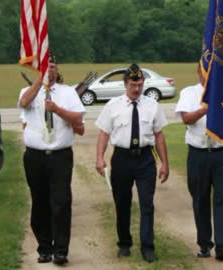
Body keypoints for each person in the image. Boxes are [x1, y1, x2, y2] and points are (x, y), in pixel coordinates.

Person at [95, 63, 169, 263]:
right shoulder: (113, 106)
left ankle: (147, 247)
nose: (137, 89)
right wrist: (99, 158)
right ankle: (125, 243)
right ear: (125, 84)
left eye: (140, 84)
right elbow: (103, 134)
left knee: (147, 203)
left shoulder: (152, 105)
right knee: (122, 203)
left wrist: (165, 163)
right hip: (121, 159)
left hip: (145, 158)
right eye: (132, 84)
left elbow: (159, 136)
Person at [18, 53, 85, 266]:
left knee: (61, 202)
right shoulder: (30, 91)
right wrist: (40, 82)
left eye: (53, 66)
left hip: (60, 156)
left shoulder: (68, 93)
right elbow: (23, 102)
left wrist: (56, 109)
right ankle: (44, 248)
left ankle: (61, 251)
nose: (50, 70)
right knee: (40, 202)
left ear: (58, 69)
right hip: (35, 156)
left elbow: (78, 119)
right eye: (47, 67)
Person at [175, 64, 223, 261]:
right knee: (200, 199)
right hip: (199, 154)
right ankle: (205, 244)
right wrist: (204, 109)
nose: (208, 77)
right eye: (205, 73)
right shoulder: (189, 92)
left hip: (222, 154)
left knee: (222, 198)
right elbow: (186, 118)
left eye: (211, 73)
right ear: (199, 73)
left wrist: (218, 97)